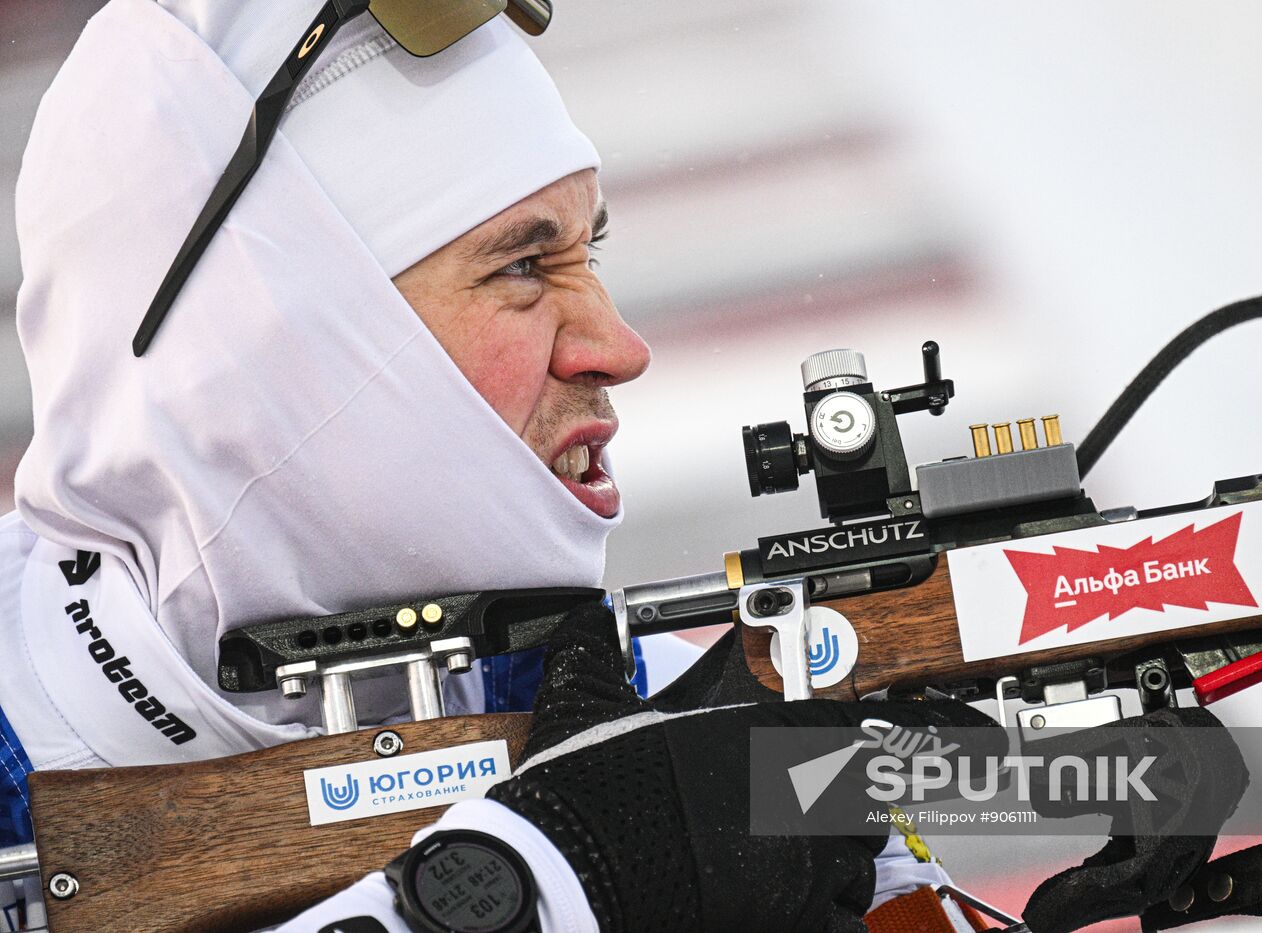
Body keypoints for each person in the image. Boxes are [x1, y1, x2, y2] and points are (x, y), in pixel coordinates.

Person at [0, 1, 992, 930]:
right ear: (264, 343)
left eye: (588, 255)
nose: (616, 345)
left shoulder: (628, 693)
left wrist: (1136, 787)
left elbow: (998, 795)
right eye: (524, 267)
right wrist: (532, 884)